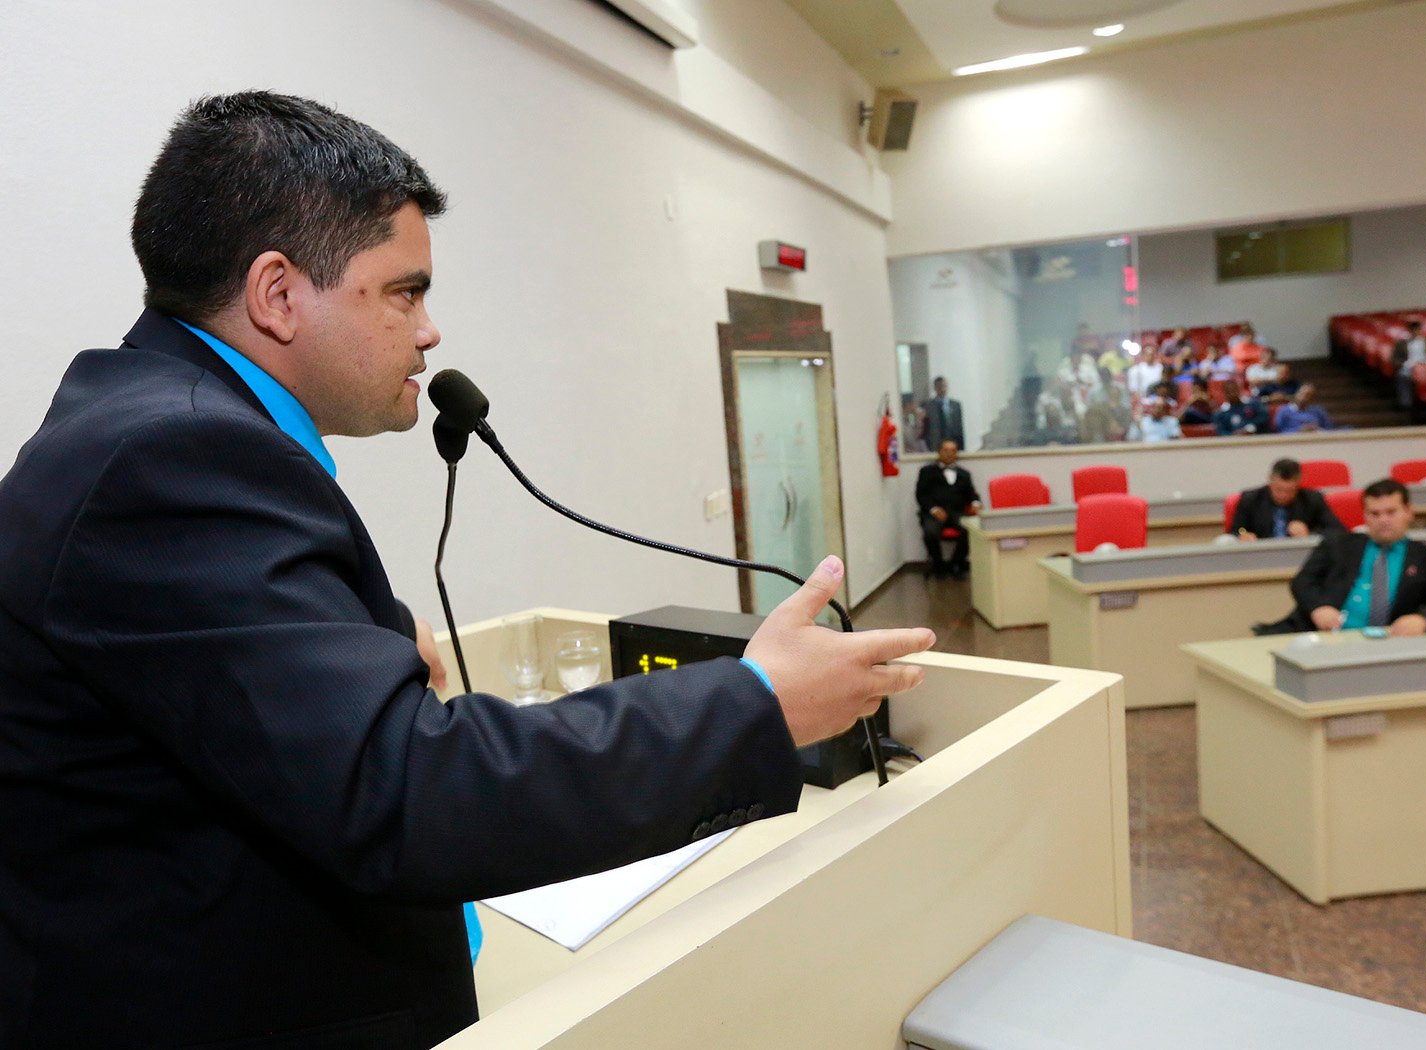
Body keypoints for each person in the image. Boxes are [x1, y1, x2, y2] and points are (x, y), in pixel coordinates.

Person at [0, 92, 935, 1049]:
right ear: (277, 294)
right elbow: (403, 791)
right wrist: (756, 705)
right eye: (405, 291)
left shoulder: (157, 429)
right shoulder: (175, 459)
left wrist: (358, 636)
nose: (430, 330)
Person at [1256, 479, 1426, 636]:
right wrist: (1318, 608)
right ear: (1365, 515)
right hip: (1323, 635)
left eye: (1391, 512)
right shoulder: (1337, 544)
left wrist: (1424, 620)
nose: (1383, 520)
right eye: (1375, 513)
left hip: (1386, 642)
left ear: (1409, 512)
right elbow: (1302, 582)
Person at [1229, 459, 1346, 540]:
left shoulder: (1312, 500)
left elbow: (1337, 530)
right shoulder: (1250, 499)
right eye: (1278, 489)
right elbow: (1237, 529)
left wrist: (1309, 533)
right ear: (1270, 480)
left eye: (1290, 491)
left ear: (1298, 484)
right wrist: (1244, 534)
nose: (1283, 495)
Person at [916, 440, 981, 577]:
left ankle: (956, 563)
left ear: (956, 454)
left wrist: (975, 503)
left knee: (970, 529)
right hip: (934, 513)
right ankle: (938, 565)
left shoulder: (964, 474)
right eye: (945, 450)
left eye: (953, 451)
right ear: (939, 452)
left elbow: (972, 495)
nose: (949, 454)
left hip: (957, 512)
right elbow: (921, 495)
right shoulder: (926, 472)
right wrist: (934, 509)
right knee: (930, 532)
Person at [1391, 320, 1426, 411]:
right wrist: (1406, 364)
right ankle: (1406, 403)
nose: (1416, 331)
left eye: (1418, 329)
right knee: (1402, 375)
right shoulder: (1401, 344)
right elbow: (1395, 360)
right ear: (1409, 330)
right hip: (1409, 368)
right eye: (1413, 329)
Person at [922, 375, 966, 450]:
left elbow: (959, 428)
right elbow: (926, 430)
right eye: (939, 387)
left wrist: (962, 447)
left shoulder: (956, 405)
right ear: (935, 388)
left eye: (944, 386)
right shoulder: (928, 406)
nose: (942, 389)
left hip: (953, 444)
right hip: (935, 446)